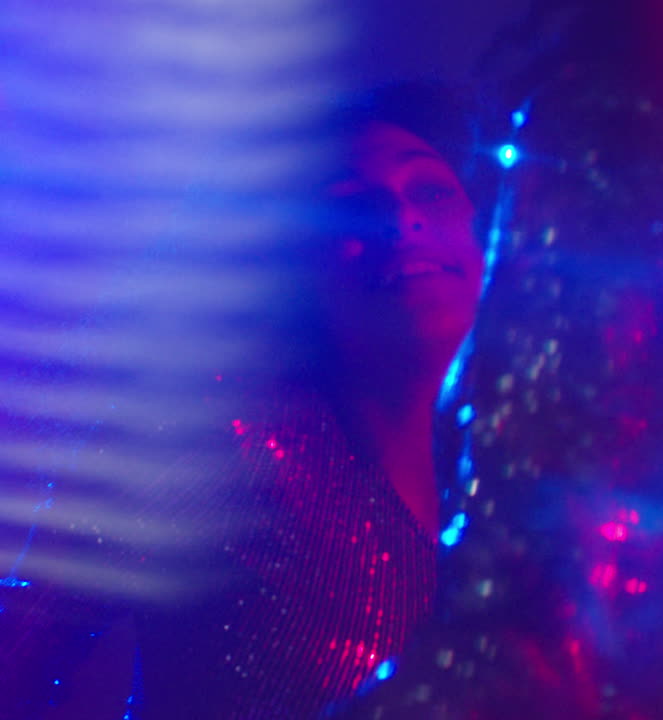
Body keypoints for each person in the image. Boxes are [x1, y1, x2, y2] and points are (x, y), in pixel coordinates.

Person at [2, 81, 491, 720]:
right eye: (353, 207)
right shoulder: (204, 448)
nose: (404, 220)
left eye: (428, 190)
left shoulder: (538, 480)